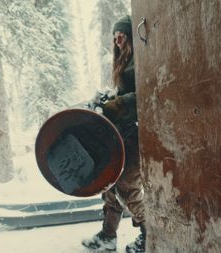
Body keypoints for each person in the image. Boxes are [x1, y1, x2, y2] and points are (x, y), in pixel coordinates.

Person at [81, 15, 146, 253]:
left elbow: (143, 97)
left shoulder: (139, 62)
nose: (118, 41)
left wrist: (113, 106)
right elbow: (124, 95)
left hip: (137, 135)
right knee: (110, 182)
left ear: (130, 36)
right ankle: (108, 236)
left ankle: (151, 235)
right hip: (122, 135)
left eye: (122, 35)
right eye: (115, 37)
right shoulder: (125, 62)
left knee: (127, 186)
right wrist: (109, 98)